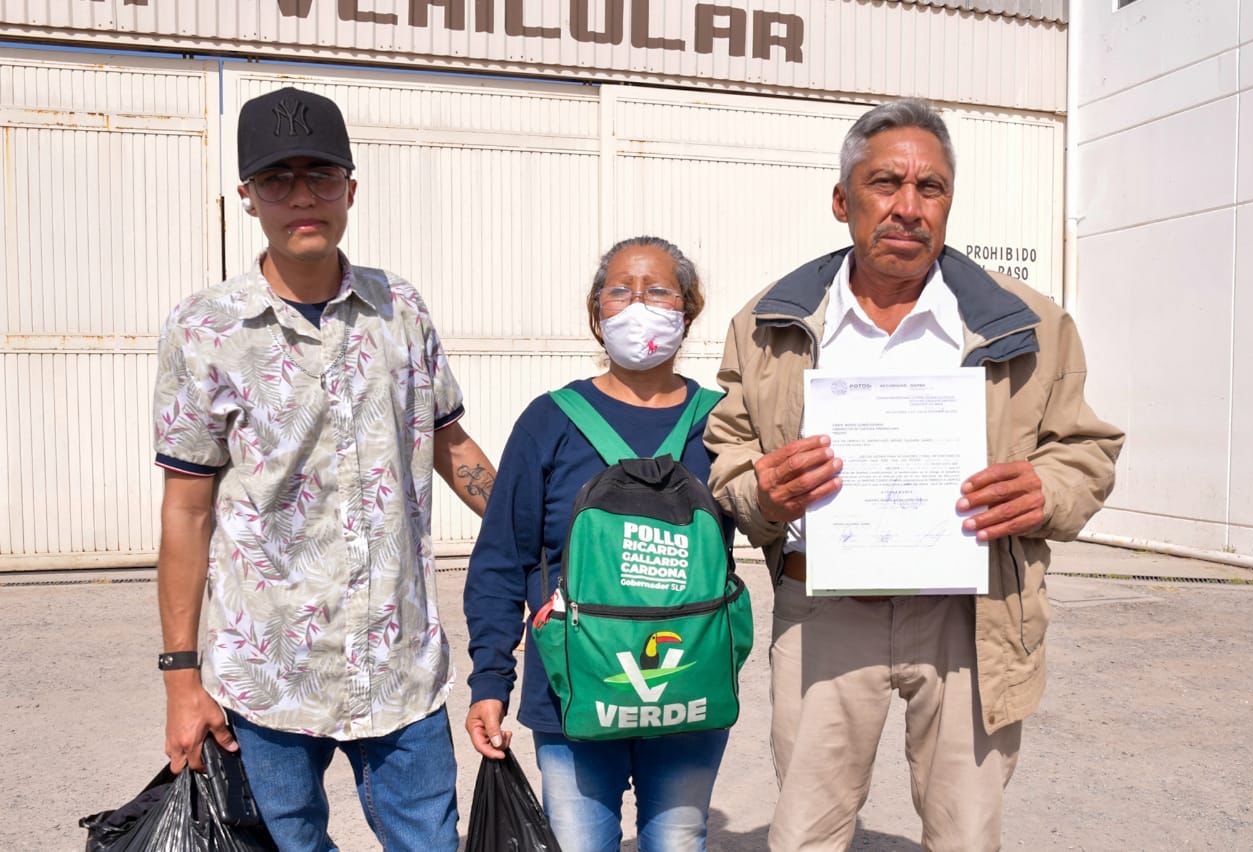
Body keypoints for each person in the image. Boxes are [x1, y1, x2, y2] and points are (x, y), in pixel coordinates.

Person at [703, 98, 1125, 851]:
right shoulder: (771, 323)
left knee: (965, 835)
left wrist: (1044, 491)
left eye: (930, 189)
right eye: (884, 183)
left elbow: (1084, 451)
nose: (908, 207)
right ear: (843, 200)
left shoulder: (1027, 322)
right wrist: (761, 492)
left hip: (970, 613)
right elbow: (728, 451)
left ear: (949, 202)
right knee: (804, 835)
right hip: (823, 605)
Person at [152, 86, 495, 852]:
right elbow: (187, 509)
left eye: (321, 176)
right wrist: (181, 678)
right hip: (270, 675)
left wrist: (550, 539)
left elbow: (451, 446)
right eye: (278, 179)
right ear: (247, 196)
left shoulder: (398, 308)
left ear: (351, 188)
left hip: (400, 662)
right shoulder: (205, 330)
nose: (302, 197)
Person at [464, 236, 731, 851]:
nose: (639, 303)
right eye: (620, 289)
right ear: (596, 313)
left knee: (678, 841)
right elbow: (502, 559)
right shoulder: (549, 421)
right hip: (573, 700)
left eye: (659, 290)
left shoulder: (723, 425)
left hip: (689, 697)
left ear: (688, 310)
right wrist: (490, 682)